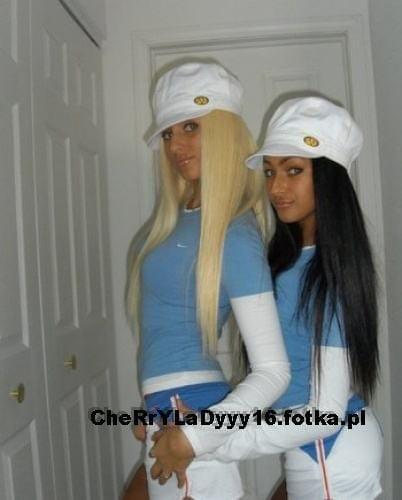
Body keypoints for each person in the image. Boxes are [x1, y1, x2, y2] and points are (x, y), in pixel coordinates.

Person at [150, 97, 383, 500]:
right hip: (313, 450)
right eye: (271, 171)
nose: (276, 187)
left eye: (293, 171)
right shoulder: (288, 259)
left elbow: (325, 414)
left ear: (327, 177)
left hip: (332, 452)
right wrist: (204, 426)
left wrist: (209, 442)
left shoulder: (330, 272)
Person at [125, 61, 290, 500]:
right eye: (168, 133)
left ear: (224, 131)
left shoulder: (234, 232)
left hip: (190, 416)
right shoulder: (178, 219)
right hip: (167, 411)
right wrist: (153, 407)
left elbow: (273, 372)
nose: (176, 145)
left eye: (191, 127)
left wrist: (195, 437)